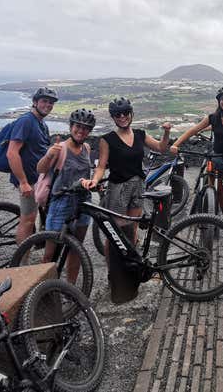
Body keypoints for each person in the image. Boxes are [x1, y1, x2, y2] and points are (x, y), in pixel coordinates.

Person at [88, 97, 171, 302]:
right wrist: (94, 180)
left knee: (132, 231)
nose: (123, 117)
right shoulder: (107, 139)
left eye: (126, 113)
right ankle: (114, 274)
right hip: (118, 188)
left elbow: (161, 148)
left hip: (138, 186)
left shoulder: (141, 135)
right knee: (115, 234)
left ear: (131, 114)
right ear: (113, 117)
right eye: (118, 114)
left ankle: (130, 272)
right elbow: (101, 166)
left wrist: (167, 132)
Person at [169, 87, 223, 235]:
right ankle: (211, 211)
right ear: (219, 101)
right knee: (210, 188)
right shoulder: (213, 117)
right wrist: (176, 144)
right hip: (216, 158)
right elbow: (193, 130)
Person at [36, 109, 95, 284]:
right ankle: (44, 289)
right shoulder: (59, 148)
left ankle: (70, 287)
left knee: (76, 249)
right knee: (50, 253)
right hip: (61, 202)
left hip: (83, 201)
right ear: (71, 127)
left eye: (86, 128)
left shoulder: (86, 148)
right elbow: (40, 169)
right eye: (78, 126)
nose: (81, 131)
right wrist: (49, 155)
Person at [7, 87, 58, 245]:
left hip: (38, 178)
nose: (47, 105)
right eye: (44, 101)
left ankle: (38, 240)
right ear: (35, 102)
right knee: (28, 220)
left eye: (51, 103)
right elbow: (12, 153)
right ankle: (21, 264)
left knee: (36, 214)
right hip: (28, 180)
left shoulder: (42, 124)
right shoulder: (26, 121)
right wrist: (23, 182)